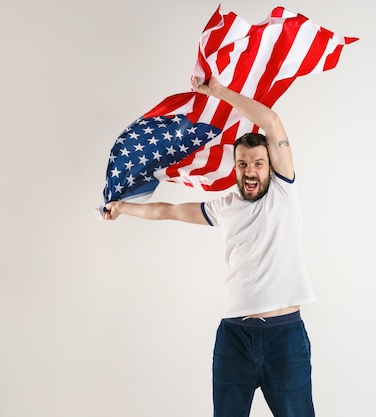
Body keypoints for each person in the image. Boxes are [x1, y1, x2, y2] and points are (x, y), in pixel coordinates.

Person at [103, 76, 317, 417]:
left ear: (270, 166)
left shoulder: (283, 191)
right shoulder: (224, 206)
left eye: (258, 163)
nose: (250, 171)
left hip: (284, 338)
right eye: (243, 163)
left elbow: (272, 121)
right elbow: (168, 211)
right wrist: (122, 207)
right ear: (235, 167)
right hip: (234, 340)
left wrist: (216, 91)